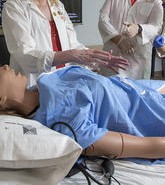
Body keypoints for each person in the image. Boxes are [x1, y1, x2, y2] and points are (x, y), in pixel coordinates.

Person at [2, 0, 128, 87]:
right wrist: (70, 55)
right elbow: (26, 55)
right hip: (34, 85)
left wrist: (94, 58)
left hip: (62, 81)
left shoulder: (56, 5)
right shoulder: (15, 6)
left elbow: (72, 44)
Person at [1, 64, 165, 165]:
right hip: (153, 113)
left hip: (147, 89)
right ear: (1, 99)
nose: (6, 67)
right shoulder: (63, 123)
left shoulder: (43, 83)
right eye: (0, 70)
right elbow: (146, 146)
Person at [98, 0, 164, 79]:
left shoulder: (155, 2)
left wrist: (139, 28)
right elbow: (103, 19)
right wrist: (118, 39)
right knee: (109, 92)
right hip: (112, 56)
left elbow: (156, 28)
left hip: (137, 62)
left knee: (135, 94)